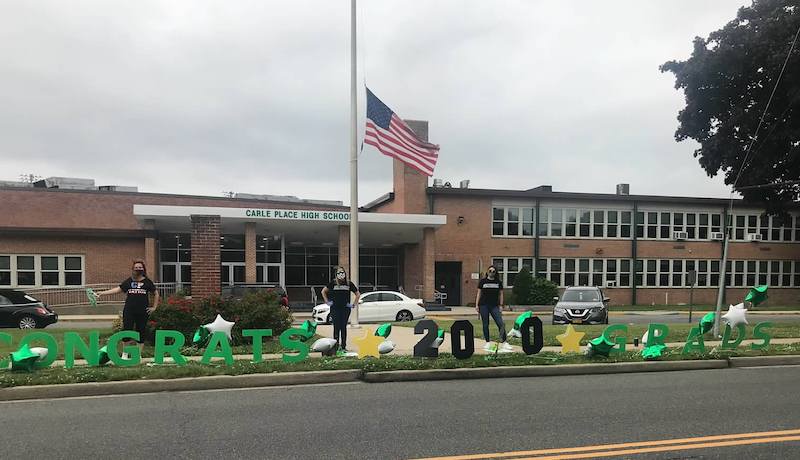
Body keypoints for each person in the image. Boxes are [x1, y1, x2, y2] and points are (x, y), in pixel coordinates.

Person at [97, 259, 159, 356]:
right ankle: (125, 355)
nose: (138, 269)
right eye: (136, 268)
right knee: (127, 330)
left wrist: (154, 307)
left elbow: (156, 293)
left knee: (141, 331)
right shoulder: (129, 281)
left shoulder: (147, 282)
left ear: (143, 269)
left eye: (140, 267)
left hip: (143, 311)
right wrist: (102, 293)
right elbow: (118, 289)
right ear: (133, 269)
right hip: (129, 310)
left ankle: (137, 355)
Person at [321, 266, 360, 352]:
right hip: (335, 309)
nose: (341, 274)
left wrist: (353, 304)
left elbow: (357, 294)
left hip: (345, 309)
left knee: (343, 327)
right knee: (336, 327)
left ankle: (343, 347)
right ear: (336, 274)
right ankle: (335, 346)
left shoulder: (349, 284)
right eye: (339, 273)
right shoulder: (333, 283)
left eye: (342, 272)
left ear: (345, 274)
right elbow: (323, 291)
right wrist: (327, 302)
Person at [475, 265, 513, 352]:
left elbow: (501, 294)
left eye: (493, 271)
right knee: (485, 324)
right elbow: (479, 293)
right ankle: (487, 342)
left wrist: (501, 305)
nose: (491, 272)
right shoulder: (483, 282)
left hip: (494, 306)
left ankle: (504, 342)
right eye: (490, 271)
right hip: (483, 305)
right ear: (487, 272)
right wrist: (476, 305)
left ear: (495, 273)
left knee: (501, 323)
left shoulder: (498, 282)